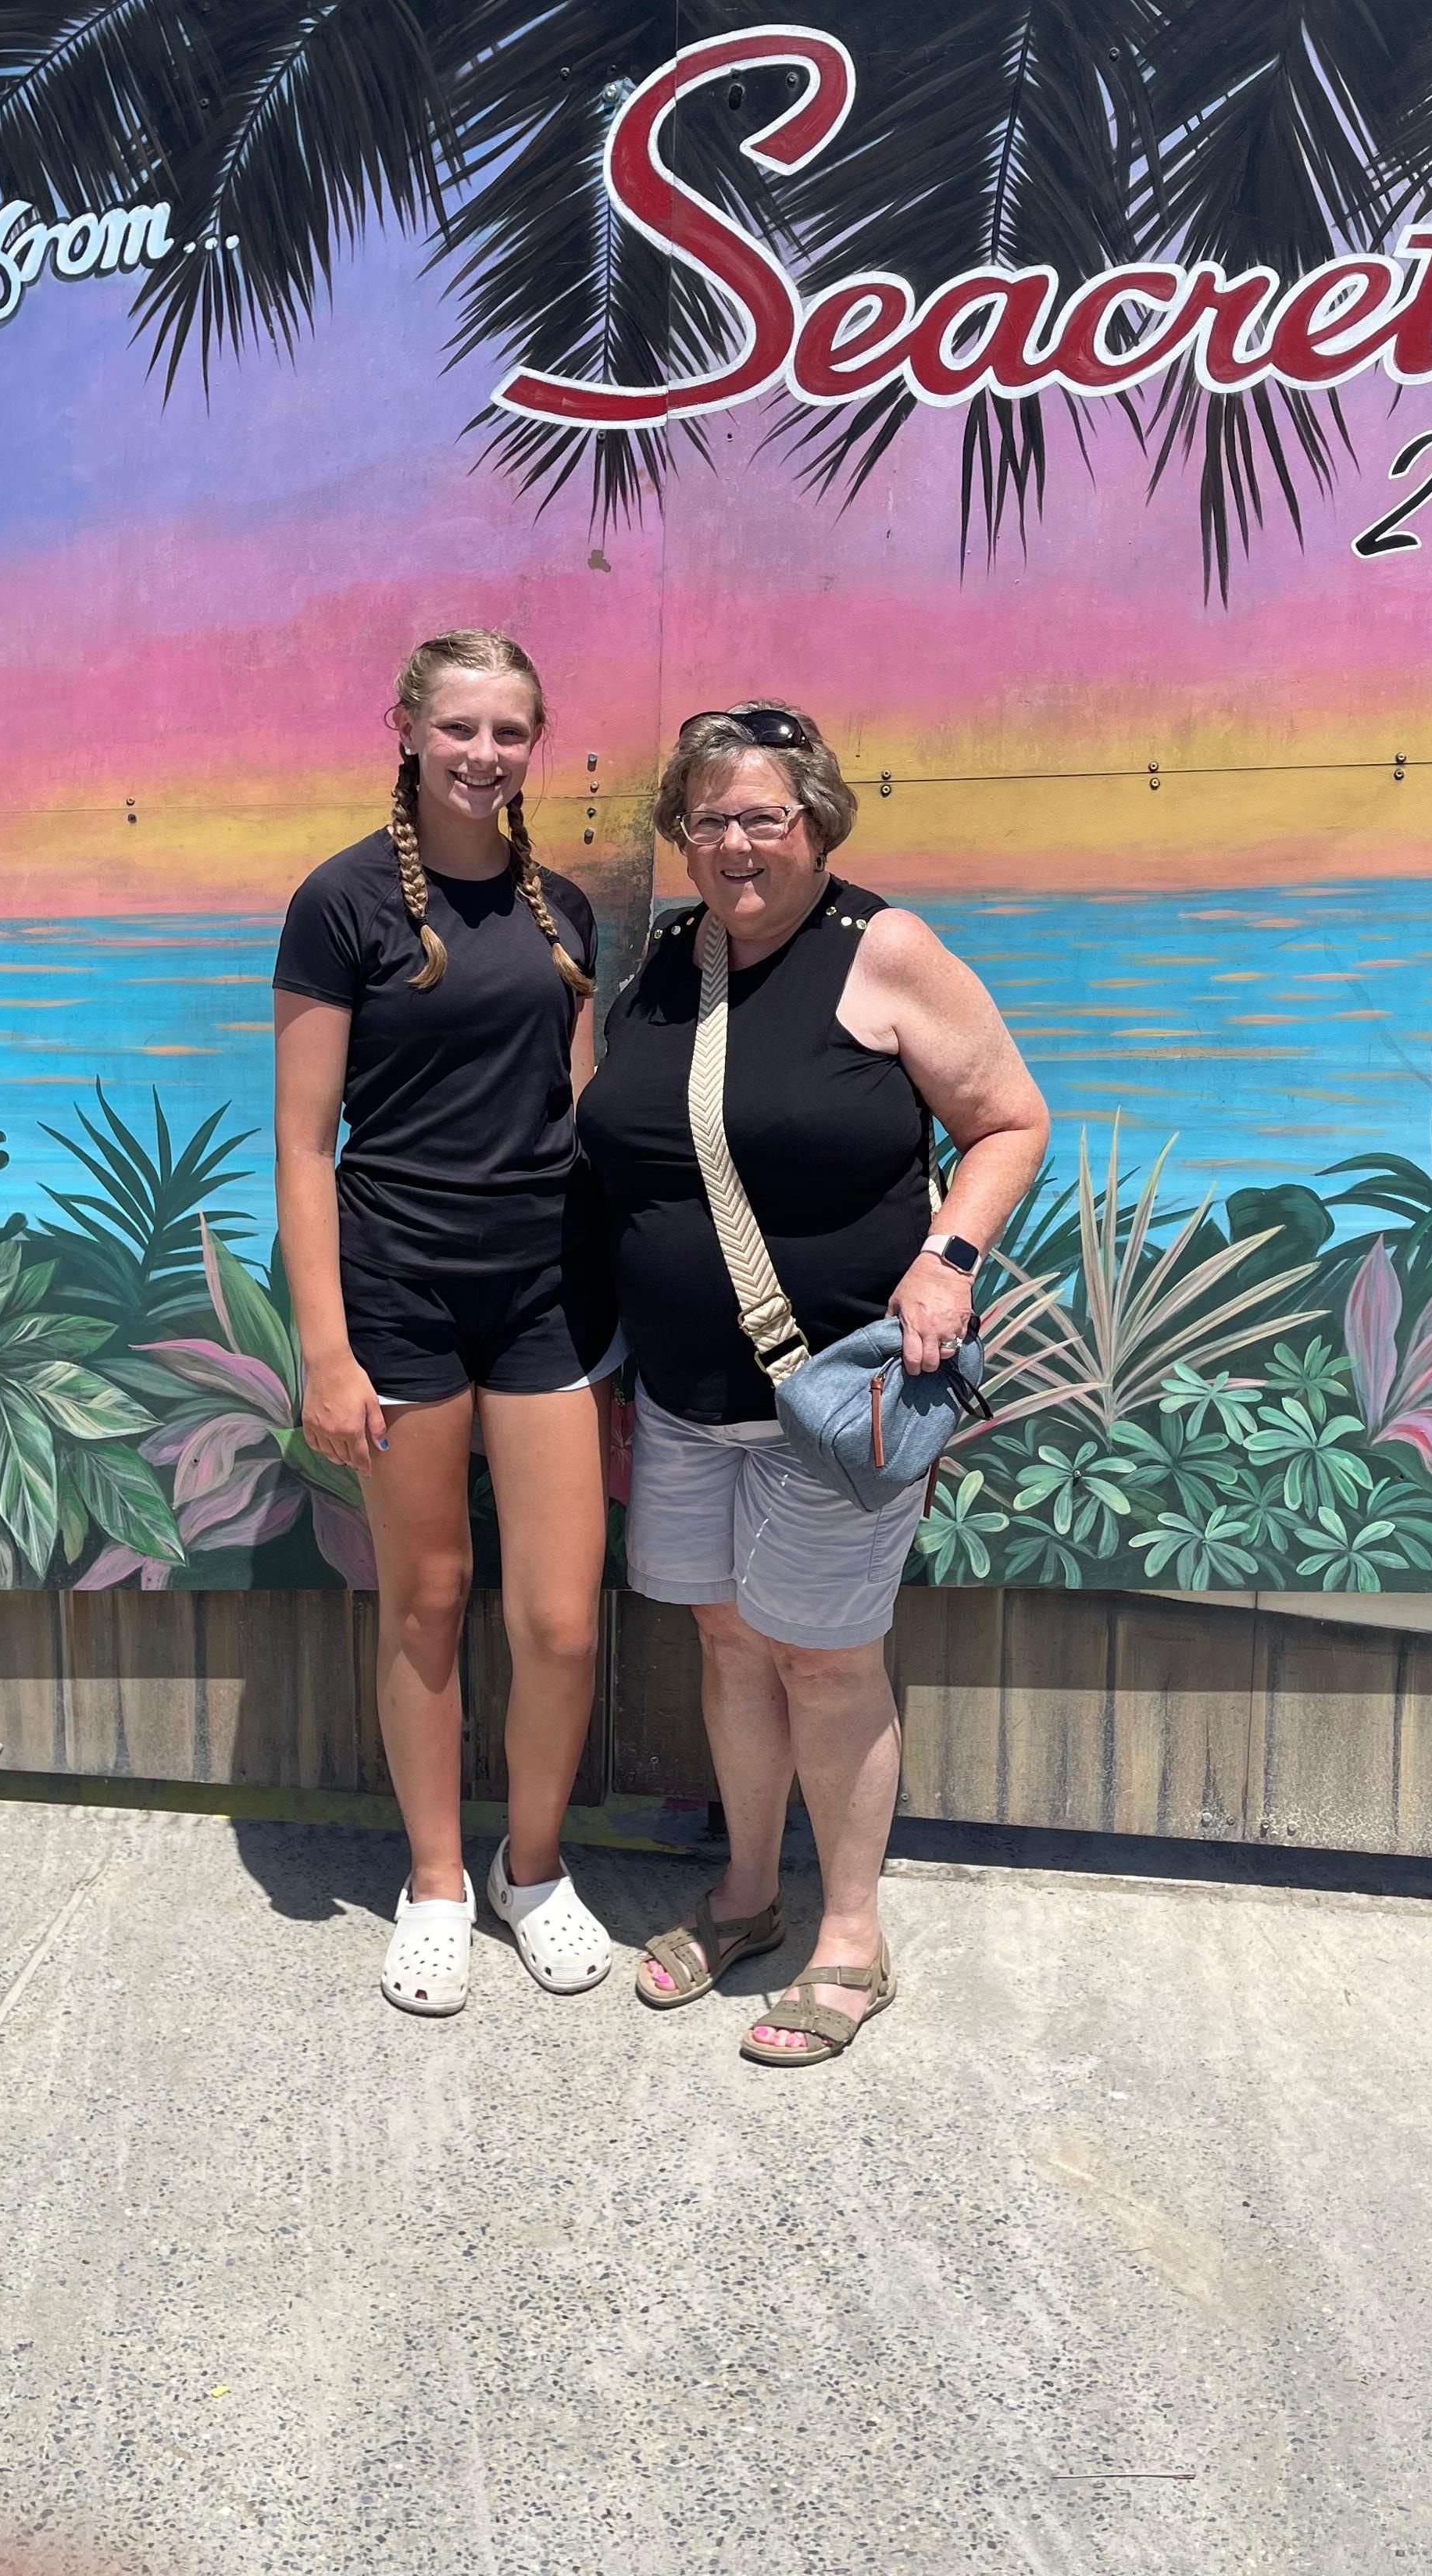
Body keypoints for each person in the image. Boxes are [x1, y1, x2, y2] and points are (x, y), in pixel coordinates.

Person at [578, 703, 1049, 2066]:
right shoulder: (669, 963)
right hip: (680, 1396)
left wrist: (949, 1260)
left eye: (762, 817)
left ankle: (851, 1937)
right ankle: (746, 1895)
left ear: (819, 823)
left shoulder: (883, 950)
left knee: (829, 1664)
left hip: (838, 1393)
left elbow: (1009, 1120)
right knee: (730, 1644)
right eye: (710, 819)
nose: (734, 844)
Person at [273, 629, 620, 2017]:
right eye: (461, 727)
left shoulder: (569, 912)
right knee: (425, 1601)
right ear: (408, 728)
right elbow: (305, 1146)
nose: (486, 754)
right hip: (398, 1291)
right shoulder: (338, 902)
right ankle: (434, 1882)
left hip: (544, 1297)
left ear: (538, 743)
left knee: (563, 1623)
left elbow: (586, 1122)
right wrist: (326, 1350)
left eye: (511, 730)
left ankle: (531, 1869)